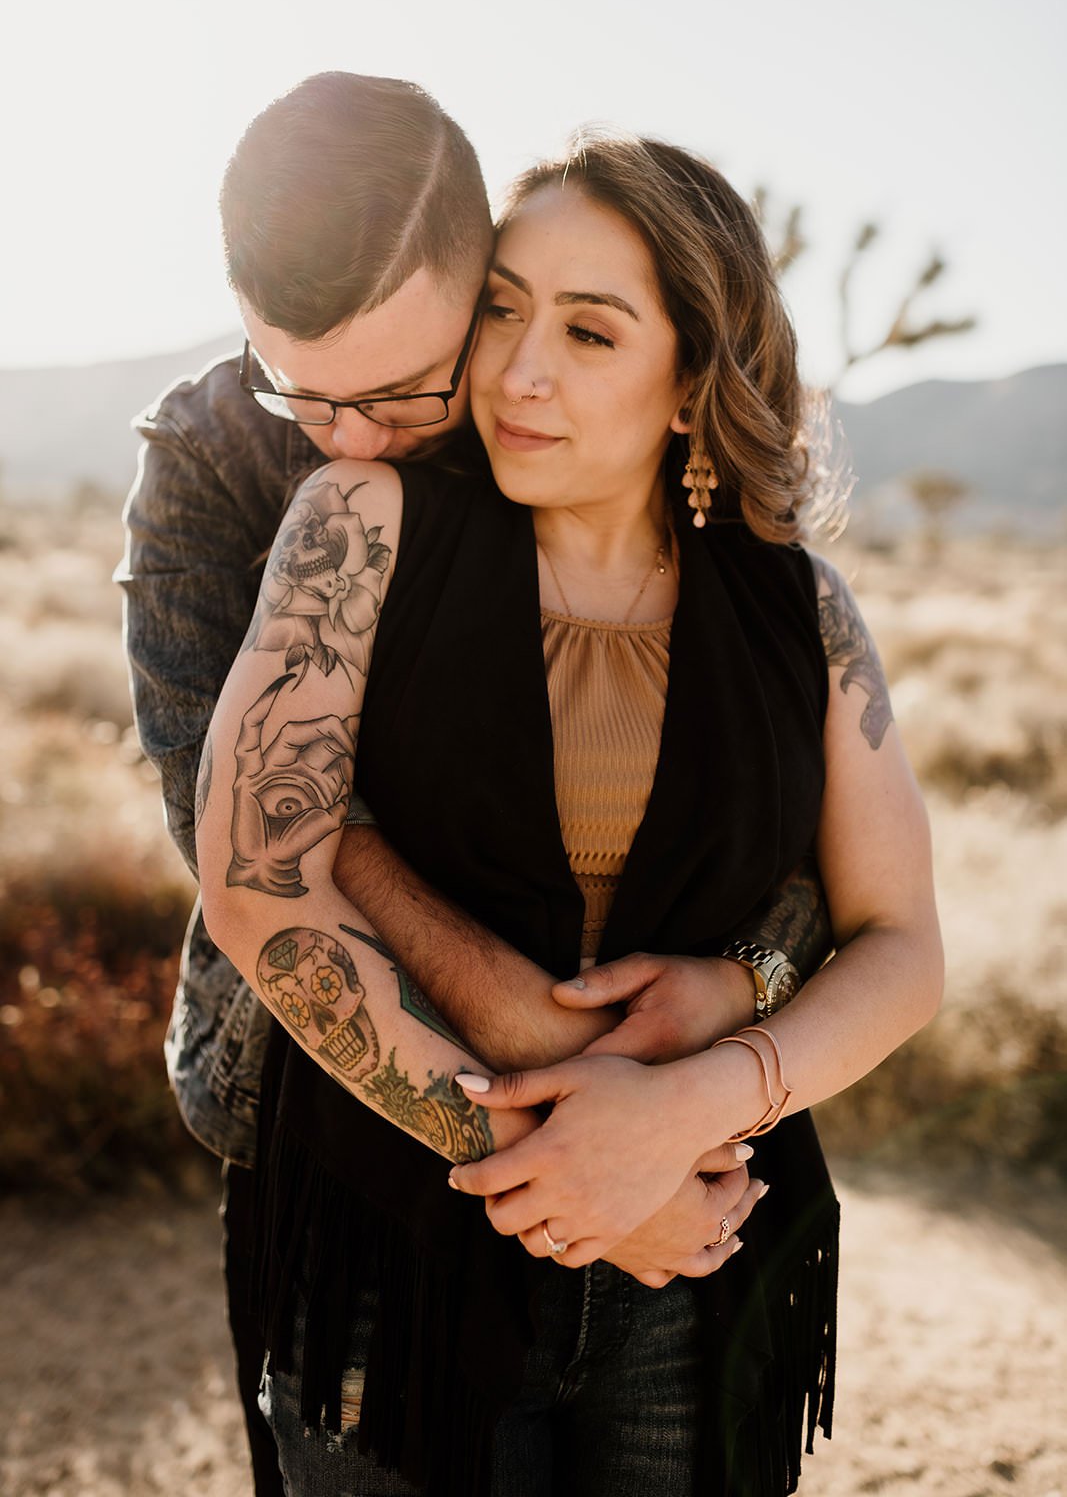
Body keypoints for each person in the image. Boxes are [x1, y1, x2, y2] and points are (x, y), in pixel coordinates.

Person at [193, 130, 943, 1495]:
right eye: (502, 308)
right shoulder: (358, 523)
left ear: (688, 383)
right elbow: (259, 883)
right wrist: (580, 1170)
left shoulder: (802, 613)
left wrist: (683, 1118)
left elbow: (901, 942)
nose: (520, 369)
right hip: (396, 1256)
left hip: (702, 1262)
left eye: (591, 332)